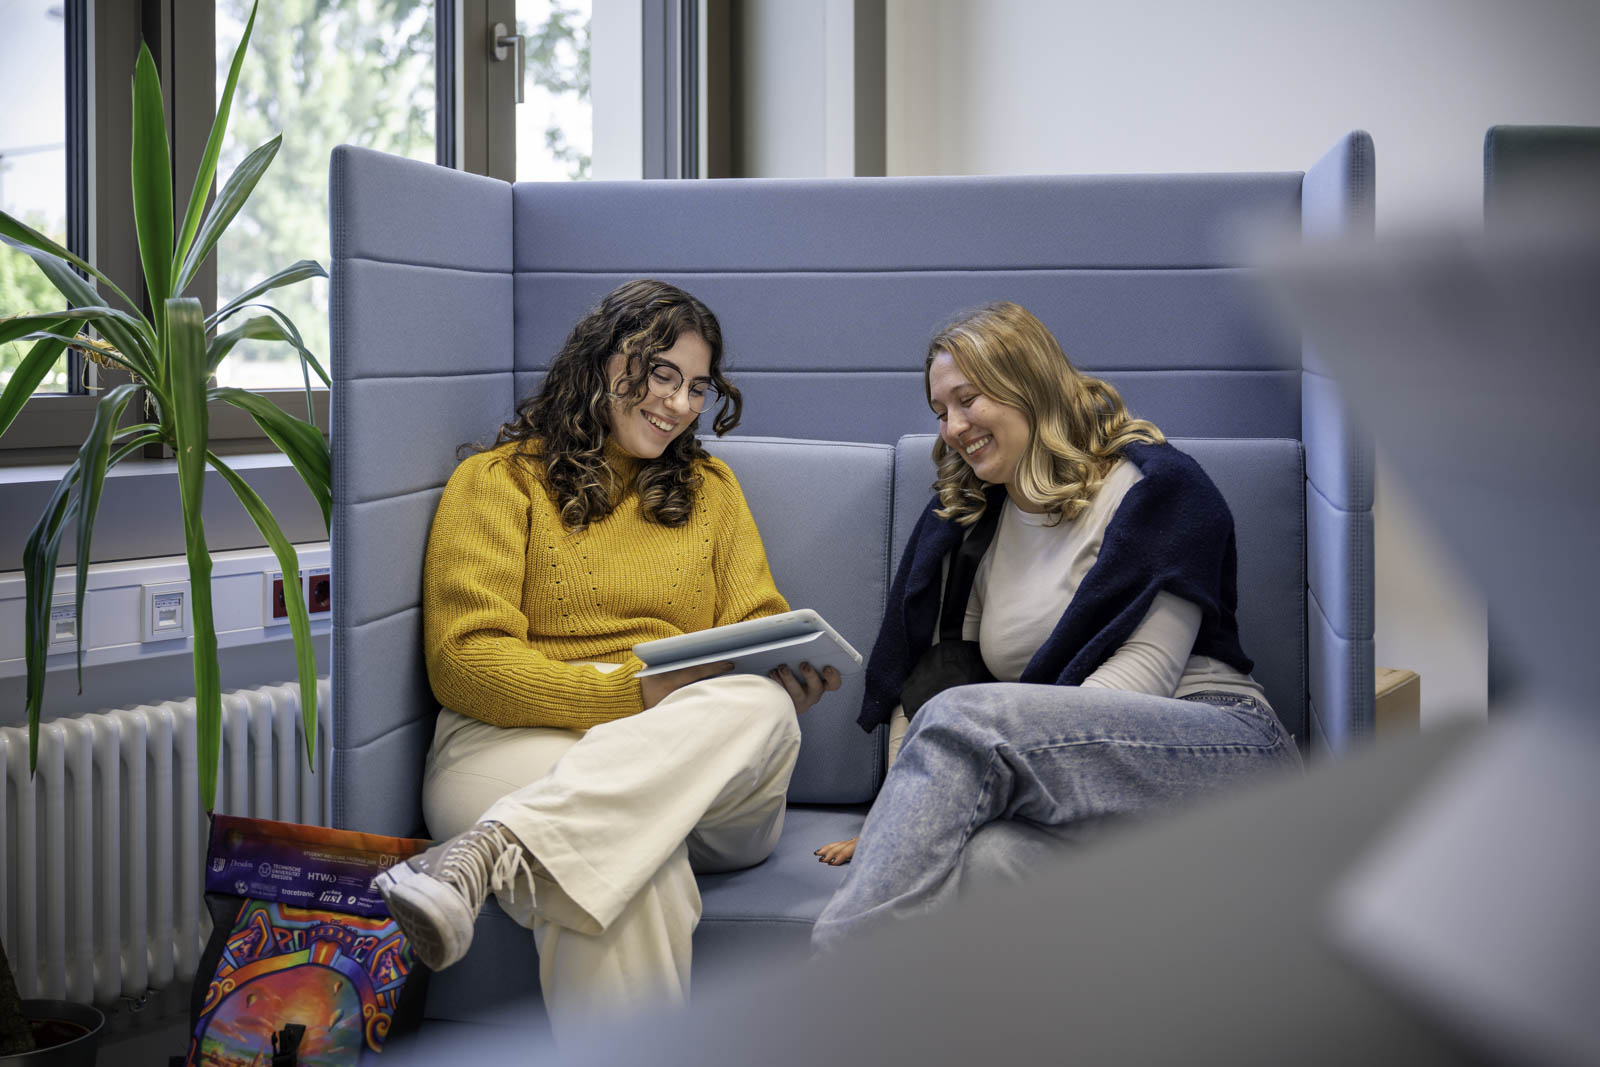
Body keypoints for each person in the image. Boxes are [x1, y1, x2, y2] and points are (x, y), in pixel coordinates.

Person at [373, 279, 840, 1036]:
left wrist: (778, 662)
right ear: (601, 361)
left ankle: (497, 842)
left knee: (761, 704)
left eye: (697, 387)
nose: (680, 404)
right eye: (662, 374)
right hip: (513, 743)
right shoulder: (497, 483)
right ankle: (514, 840)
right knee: (633, 873)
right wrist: (631, 692)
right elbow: (464, 662)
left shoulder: (711, 490)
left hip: (690, 768)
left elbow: (755, 620)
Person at [810, 301, 1300, 947]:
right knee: (987, 863)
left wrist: (942, 805)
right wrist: (906, 817)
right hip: (1075, 775)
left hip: (1214, 750)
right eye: (940, 411)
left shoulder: (1160, 490)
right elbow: (934, 678)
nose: (953, 427)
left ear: (1029, 384)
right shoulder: (974, 522)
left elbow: (1141, 679)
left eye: (968, 399)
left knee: (966, 720)